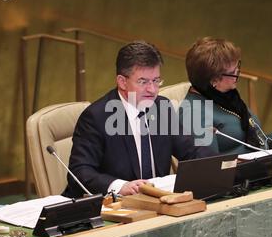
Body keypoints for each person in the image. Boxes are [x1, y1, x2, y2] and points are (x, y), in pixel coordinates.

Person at [63, 41, 215, 198]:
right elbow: (79, 172)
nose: (152, 89)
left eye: (156, 81)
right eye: (143, 82)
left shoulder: (161, 106)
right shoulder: (97, 117)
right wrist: (121, 186)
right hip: (116, 206)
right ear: (122, 82)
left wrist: (225, 164)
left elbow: (191, 150)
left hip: (157, 201)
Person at [179, 37, 272, 155]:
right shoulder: (193, 114)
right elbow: (211, 170)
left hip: (255, 169)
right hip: (237, 178)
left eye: (237, 68)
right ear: (214, 81)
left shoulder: (228, 97)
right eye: (232, 73)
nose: (238, 75)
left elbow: (252, 144)